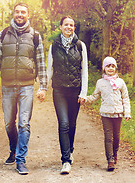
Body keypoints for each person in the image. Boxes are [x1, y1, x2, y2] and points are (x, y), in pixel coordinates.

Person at [0, 3, 47, 175]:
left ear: (28, 15)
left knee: (24, 123)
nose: (20, 15)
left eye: (23, 12)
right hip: (7, 86)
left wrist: (43, 86)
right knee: (8, 123)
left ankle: (21, 160)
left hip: (27, 86)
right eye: (17, 12)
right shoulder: (3, 34)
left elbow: (41, 62)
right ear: (13, 14)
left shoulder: (35, 36)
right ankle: (13, 150)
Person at [47, 16, 88, 174]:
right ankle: (65, 160)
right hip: (59, 90)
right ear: (60, 27)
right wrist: (43, 87)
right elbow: (49, 69)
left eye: (71, 25)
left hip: (75, 90)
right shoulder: (53, 46)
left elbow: (84, 71)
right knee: (63, 124)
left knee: (72, 124)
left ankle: (70, 149)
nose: (69, 27)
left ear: (74, 28)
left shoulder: (80, 45)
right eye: (66, 25)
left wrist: (83, 92)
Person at [86, 56, 131, 171]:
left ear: (115, 68)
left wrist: (127, 112)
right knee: (108, 137)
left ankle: (115, 153)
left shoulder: (120, 82)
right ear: (104, 68)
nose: (110, 68)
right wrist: (85, 99)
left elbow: (125, 98)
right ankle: (110, 160)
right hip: (105, 114)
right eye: (108, 66)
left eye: (112, 66)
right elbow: (95, 96)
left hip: (118, 114)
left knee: (116, 137)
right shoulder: (100, 82)